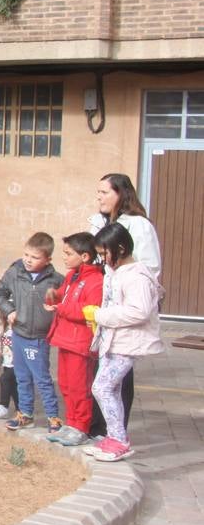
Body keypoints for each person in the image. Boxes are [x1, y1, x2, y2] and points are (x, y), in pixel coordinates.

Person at [84, 222, 165, 462]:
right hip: (114, 339)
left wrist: (100, 315)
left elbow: (138, 312)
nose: (101, 259)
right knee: (112, 389)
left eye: (103, 253)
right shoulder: (116, 271)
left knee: (102, 387)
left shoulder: (137, 275)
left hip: (128, 342)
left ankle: (119, 440)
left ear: (119, 248)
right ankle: (115, 437)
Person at [87, 173, 159, 438]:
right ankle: (99, 427)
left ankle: (116, 433)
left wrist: (123, 288)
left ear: (121, 193)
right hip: (103, 308)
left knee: (116, 377)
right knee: (100, 370)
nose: (99, 197)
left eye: (104, 192)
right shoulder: (99, 222)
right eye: (98, 192)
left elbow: (150, 268)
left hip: (124, 311)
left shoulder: (138, 225)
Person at [0, 232, 64, 433]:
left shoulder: (56, 280)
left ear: (48, 259)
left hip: (39, 338)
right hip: (18, 334)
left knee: (41, 378)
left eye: (35, 257)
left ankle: (53, 417)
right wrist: (9, 310)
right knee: (21, 376)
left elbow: (64, 303)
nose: (28, 260)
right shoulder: (15, 273)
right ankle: (25, 414)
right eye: (26, 255)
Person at [43, 232, 103, 446]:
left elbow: (89, 310)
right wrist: (54, 294)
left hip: (80, 343)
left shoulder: (95, 280)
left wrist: (61, 307)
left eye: (69, 254)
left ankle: (81, 427)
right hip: (64, 339)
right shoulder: (72, 276)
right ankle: (71, 423)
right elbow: (65, 294)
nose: (65, 258)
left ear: (85, 256)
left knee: (80, 387)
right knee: (67, 385)